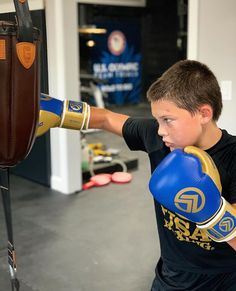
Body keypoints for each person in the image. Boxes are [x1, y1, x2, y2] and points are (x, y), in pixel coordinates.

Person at [38, 60, 236, 290]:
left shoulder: (232, 157)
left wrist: (213, 213)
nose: (160, 130)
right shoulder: (157, 137)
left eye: (168, 120)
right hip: (170, 277)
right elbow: (106, 118)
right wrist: (60, 112)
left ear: (203, 113)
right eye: (158, 120)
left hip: (223, 281)